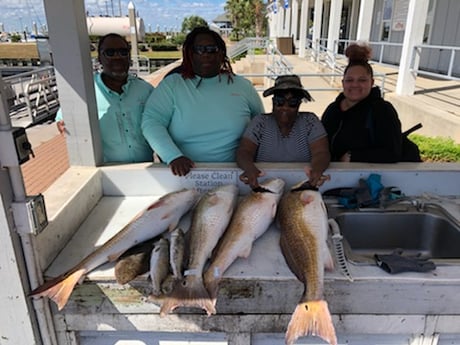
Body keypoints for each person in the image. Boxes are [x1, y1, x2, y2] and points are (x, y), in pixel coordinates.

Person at [141, 26, 264, 176]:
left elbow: (261, 125)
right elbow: (151, 121)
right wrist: (172, 156)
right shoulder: (172, 85)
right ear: (189, 54)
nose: (205, 54)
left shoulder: (243, 86)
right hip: (184, 174)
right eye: (199, 49)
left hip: (235, 174)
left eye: (212, 49)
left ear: (221, 54)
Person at [55, 33, 154, 163]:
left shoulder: (146, 90)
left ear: (129, 57)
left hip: (146, 170)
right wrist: (62, 125)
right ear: (99, 58)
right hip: (108, 172)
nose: (117, 57)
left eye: (123, 52)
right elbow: (63, 120)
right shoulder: (86, 92)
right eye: (110, 52)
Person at [237, 75, 330, 189]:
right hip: (264, 186)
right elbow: (244, 151)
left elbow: (321, 152)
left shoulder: (310, 121)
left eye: (292, 103)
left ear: (299, 104)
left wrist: (317, 170)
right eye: (280, 101)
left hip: (302, 186)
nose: (285, 107)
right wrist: (249, 168)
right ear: (273, 102)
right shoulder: (260, 122)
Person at [321, 42, 403, 163]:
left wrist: (352, 156)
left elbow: (393, 152)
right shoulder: (333, 109)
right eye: (349, 80)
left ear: (372, 82)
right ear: (343, 83)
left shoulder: (382, 111)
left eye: (362, 80)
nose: (355, 85)